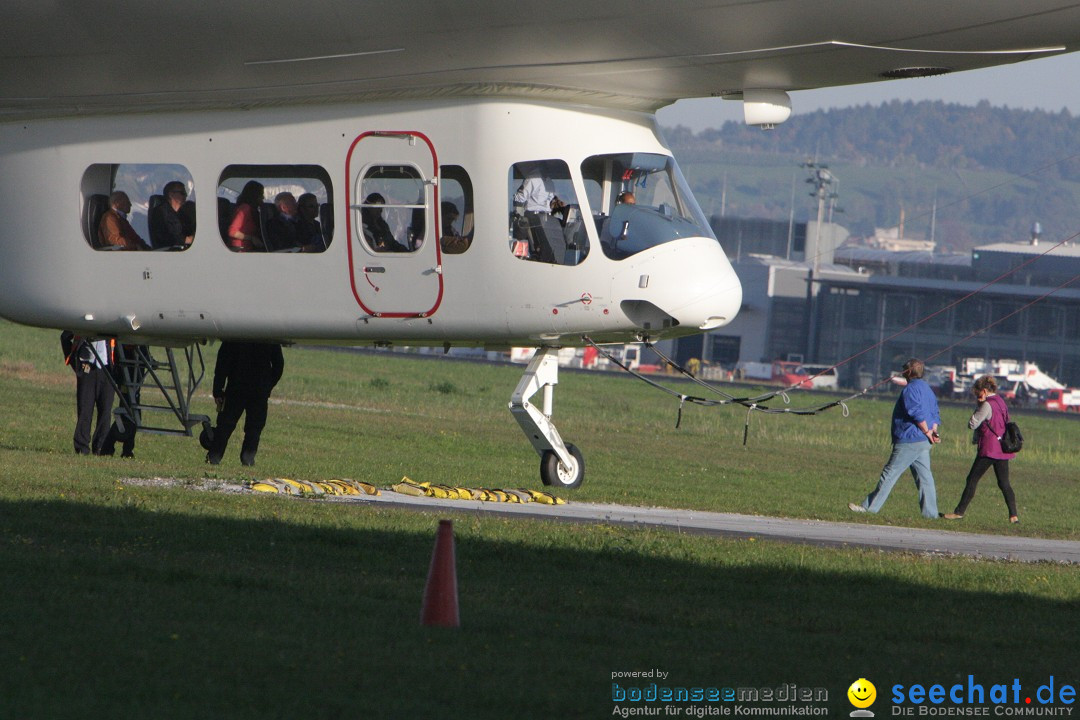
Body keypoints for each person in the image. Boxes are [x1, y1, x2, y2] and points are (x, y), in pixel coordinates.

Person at [849, 358, 941, 519]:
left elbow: (916, 413)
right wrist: (933, 431)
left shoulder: (910, 390)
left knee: (890, 473)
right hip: (923, 441)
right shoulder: (927, 389)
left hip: (910, 439)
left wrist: (927, 431)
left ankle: (869, 508)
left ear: (908, 372)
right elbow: (935, 413)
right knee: (925, 478)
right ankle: (931, 515)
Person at [944, 375, 1020, 523]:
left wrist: (978, 406)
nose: (977, 396)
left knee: (972, 479)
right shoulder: (1001, 402)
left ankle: (959, 512)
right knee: (1004, 483)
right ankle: (1013, 515)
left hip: (989, 449)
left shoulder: (986, 405)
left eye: (977, 393)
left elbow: (972, 424)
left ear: (984, 391)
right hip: (1003, 449)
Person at [204, 341, 284, 466]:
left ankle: (214, 457)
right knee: (254, 427)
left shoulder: (237, 332)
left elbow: (222, 362)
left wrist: (218, 389)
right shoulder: (268, 334)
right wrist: (267, 385)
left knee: (225, 426)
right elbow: (278, 365)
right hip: (258, 390)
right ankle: (248, 459)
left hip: (236, 388)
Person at [62, 332, 115, 455]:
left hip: (107, 370)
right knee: (85, 409)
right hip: (87, 368)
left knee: (105, 411)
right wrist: (74, 362)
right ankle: (81, 447)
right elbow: (65, 336)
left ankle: (101, 447)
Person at [148, 181, 195, 249]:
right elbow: (166, 237)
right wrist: (187, 239)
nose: (185, 195)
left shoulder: (181, 213)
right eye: (182, 193)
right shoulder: (161, 212)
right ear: (171, 195)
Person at [227, 180, 265, 252]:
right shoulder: (245, 209)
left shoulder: (254, 210)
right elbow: (232, 232)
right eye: (261, 194)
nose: (263, 197)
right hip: (240, 249)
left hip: (250, 248)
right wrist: (251, 238)